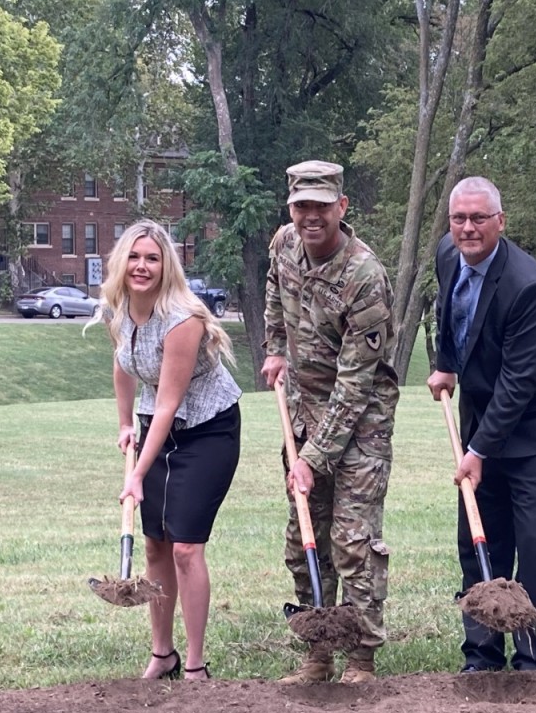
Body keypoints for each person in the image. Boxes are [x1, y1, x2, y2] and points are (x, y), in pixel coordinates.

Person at [425, 176, 536, 673]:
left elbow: (518, 384)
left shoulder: (529, 286)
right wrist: (447, 362)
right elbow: (449, 312)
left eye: (478, 218)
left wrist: (478, 453)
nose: (467, 229)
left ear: (501, 222)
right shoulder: (448, 254)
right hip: (482, 417)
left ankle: (533, 658)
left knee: (535, 544)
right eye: (459, 218)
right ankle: (482, 654)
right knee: (480, 541)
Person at [261, 160, 398, 685]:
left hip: (360, 420)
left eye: (322, 206)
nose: (311, 216)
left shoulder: (365, 276)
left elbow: (355, 384)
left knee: (351, 540)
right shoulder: (283, 244)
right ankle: (317, 653)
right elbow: (275, 291)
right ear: (291, 207)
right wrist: (275, 347)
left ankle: (361, 657)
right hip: (301, 408)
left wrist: (314, 459)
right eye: (302, 206)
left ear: (342, 207)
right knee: (304, 536)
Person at [93, 219, 242, 682]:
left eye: (152, 258)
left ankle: (195, 663)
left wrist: (136, 473)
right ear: (122, 262)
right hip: (154, 423)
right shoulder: (117, 310)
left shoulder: (183, 319)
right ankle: (163, 655)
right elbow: (124, 366)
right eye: (135, 257)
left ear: (166, 265)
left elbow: (170, 402)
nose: (142, 266)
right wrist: (123, 423)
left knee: (185, 548)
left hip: (206, 430)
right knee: (156, 543)